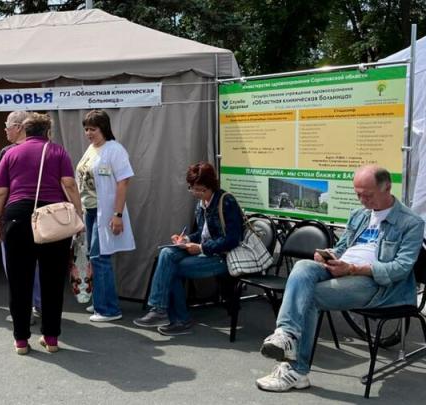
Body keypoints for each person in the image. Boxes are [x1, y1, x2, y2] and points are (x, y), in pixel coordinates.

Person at [256, 165, 424, 392]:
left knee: (310, 296)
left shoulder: (411, 222)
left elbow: (400, 269)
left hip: (378, 284)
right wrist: (329, 255)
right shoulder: (359, 214)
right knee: (303, 266)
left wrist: (353, 269)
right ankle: (286, 334)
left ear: (387, 188)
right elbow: (343, 247)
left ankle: (296, 370)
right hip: (343, 269)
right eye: (358, 194)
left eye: (368, 195)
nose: (362, 200)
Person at [0, 113, 82, 355]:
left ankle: (21, 340)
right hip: (52, 217)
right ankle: (51, 338)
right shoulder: (58, 151)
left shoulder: (10, 153)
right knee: (52, 280)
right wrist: (79, 213)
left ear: (26, 131)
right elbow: (69, 184)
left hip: (17, 217)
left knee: (19, 281)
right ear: (48, 132)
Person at [133, 161, 243, 335]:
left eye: (201, 190)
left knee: (171, 268)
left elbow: (232, 239)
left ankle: (175, 317)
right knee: (167, 253)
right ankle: (161, 310)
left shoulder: (226, 201)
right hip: (206, 252)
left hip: (223, 257)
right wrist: (186, 239)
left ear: (211, 186)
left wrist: (201, 248)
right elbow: (202, 232)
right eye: (193, 189)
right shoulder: (201, 204)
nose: (197, 193)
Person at [76, 110, 135, 322]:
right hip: (90, 211)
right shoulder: (92, 148)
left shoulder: (115, 150)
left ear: (104, 128)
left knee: (100, 258)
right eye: (86, 129)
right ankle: (100, 301)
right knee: (96, 257)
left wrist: (117, 214)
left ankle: (109, 309)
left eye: (93, 129)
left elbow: (123, 182)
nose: (88, 133)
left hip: (106, 212)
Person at [0, 110, 42, 323]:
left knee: (16, 266)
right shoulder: (48, 149)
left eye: (7, 126)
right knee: (40, 263)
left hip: (13, 215)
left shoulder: (7, 152)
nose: (5, 130)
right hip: (43, 215)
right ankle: (41, 305)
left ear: (18, 127)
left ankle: (23, 312)